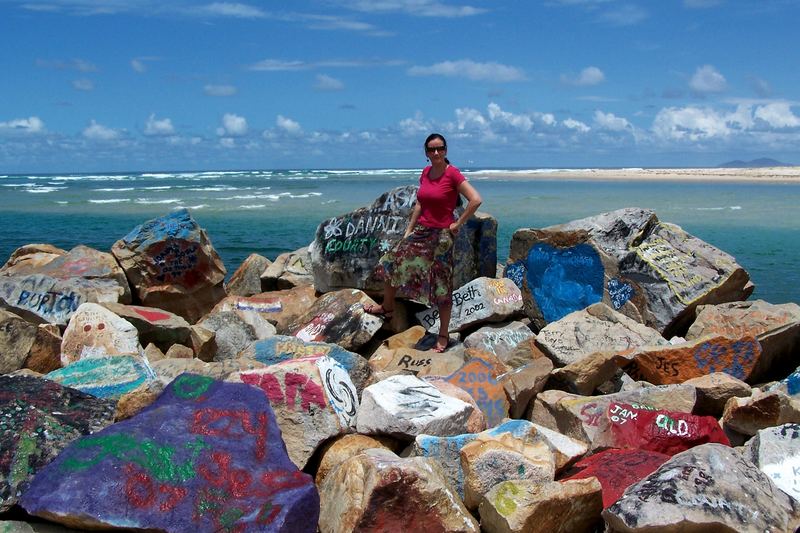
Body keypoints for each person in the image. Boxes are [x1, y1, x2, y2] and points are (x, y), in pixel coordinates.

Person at [365, 133, 483, 352]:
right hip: (421, 232)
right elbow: (420, 203)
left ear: (446, 150)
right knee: (390, 263)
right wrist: (409, 230)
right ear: (426, 153)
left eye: (440, 148)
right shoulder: (426, 172)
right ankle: (387, 307)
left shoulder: (453, 174)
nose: (436, 153)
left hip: (441, 238)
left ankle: (444, 334)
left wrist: (458, 224)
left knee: (441, 284)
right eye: (431, 149)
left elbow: (475, 199)